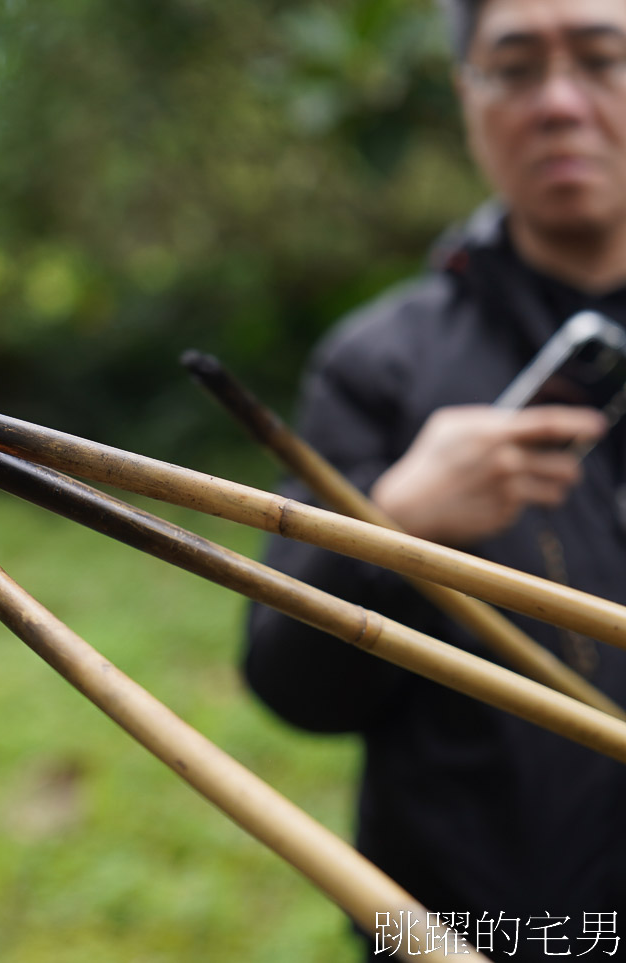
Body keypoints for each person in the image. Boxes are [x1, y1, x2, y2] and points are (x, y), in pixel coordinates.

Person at [246, 0, 626, 957]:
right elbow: (291, 685)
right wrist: (393, 526)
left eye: (601, 58)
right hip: (471, 927)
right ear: (468, 96)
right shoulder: (380, 365)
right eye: (516, 67)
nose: (562, 104)